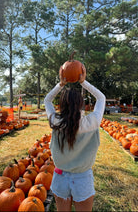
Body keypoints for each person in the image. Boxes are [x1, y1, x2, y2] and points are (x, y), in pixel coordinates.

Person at [44, 65, 106, 212]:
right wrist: (83, 82)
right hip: (83, 178)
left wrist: (61, 84)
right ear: (80, 104)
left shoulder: (55, 122)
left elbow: (47, 100)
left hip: (60, 176)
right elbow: (101, 97)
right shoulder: (92, 122)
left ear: (61, 105)